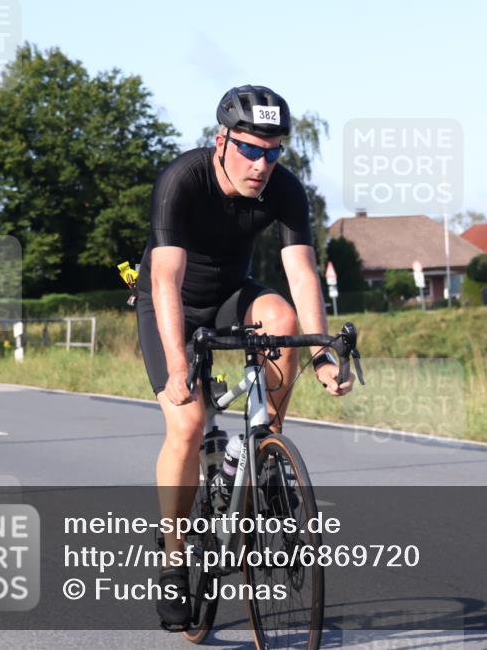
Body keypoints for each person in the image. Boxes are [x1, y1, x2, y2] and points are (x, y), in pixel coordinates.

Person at [135, 85, 354, 629]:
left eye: (273, 152)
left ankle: (265, 449)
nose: (261, 164)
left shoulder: (284, 188)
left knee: (281, 317)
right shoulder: (182, 180)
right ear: (222, 141)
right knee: (188, 424)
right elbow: (165, 280)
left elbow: (302, 274)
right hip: (171, 305)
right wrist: (179, 366)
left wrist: (323, 354)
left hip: (232, 295)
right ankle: (173, 557)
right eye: (251, 150)